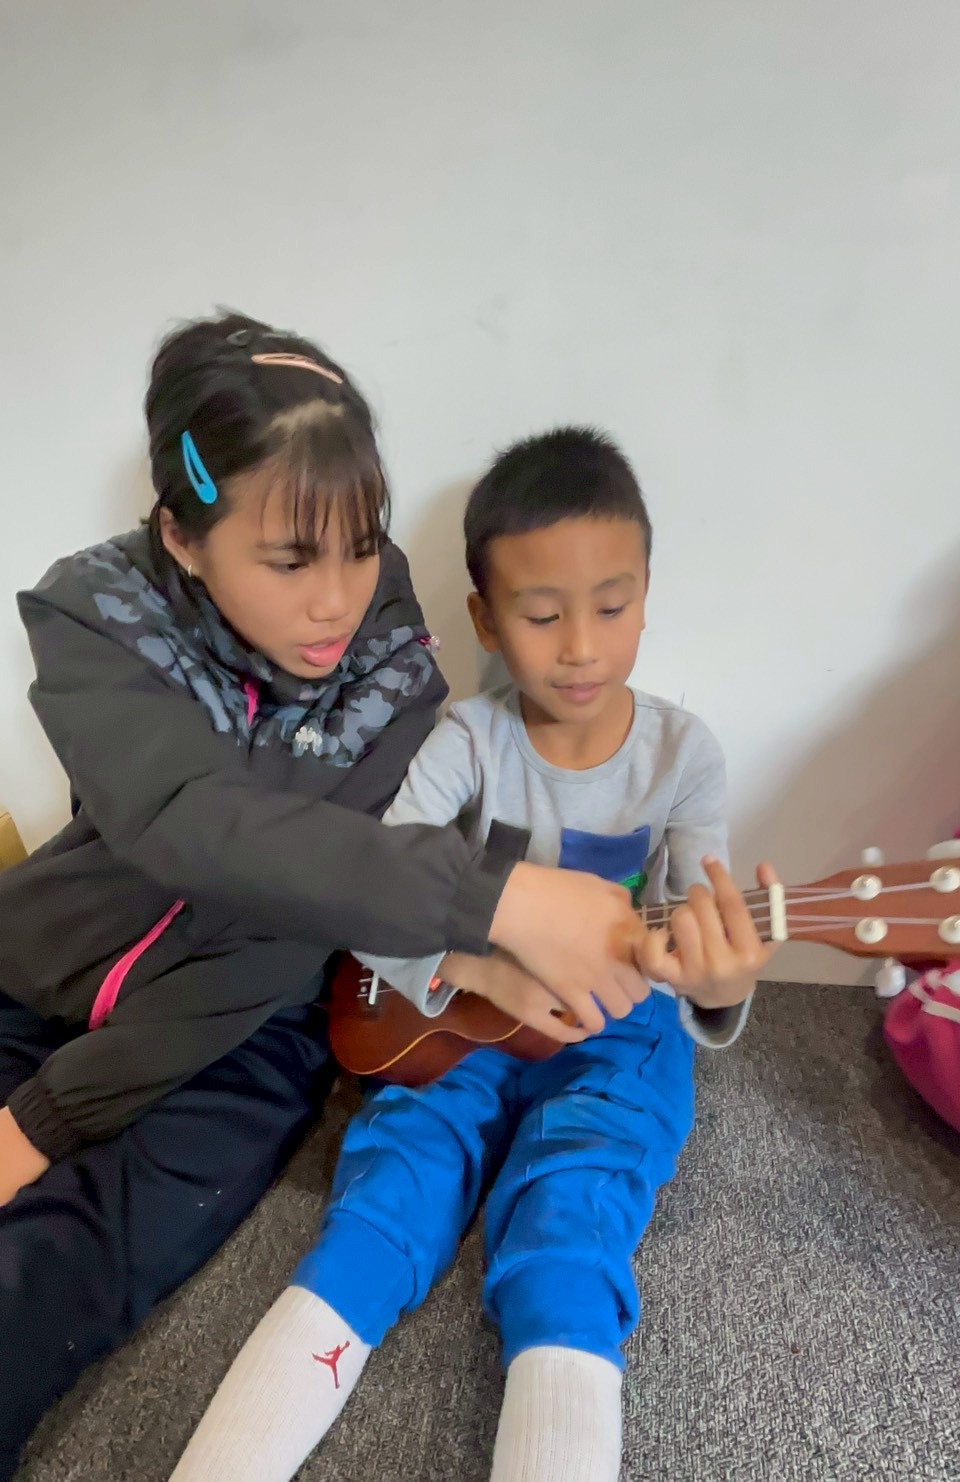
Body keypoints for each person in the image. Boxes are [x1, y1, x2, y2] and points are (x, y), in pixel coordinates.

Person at [0, 320, 650, 1479]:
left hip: (247, 1023)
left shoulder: (392, 654)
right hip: (51, 955)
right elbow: (192, 821)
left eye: (360, 544)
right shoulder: (93, 611)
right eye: (291, 561)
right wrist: (495, 905)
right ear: (183, 539)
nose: (338, 600)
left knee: (66, 1271)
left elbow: (297, 905)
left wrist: (45, 1121)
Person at [170, 427, 778, 1482]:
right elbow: (374, 891)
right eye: (543, 616)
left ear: (646, 597)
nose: (580, 647)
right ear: (487, 620)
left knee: (573, 1224)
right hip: (457, 1010)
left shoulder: (687, 755)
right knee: (381, 1205)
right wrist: (480, 969)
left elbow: (696, 923)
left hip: (615, 1022)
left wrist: (719, 987)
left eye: (612, 607)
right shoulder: (464, 740)